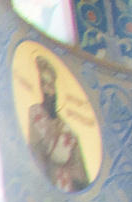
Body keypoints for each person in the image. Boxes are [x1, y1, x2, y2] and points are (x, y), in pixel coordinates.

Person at [26, 58, 89, 192]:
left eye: (50, 85)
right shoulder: (35, 113)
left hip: (65, 185)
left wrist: (80, 183)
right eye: (44, 84)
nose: (48, 90)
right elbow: (35, 149)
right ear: (40, 87)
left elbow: (79, 171)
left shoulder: (67, 130)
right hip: (47, 180)